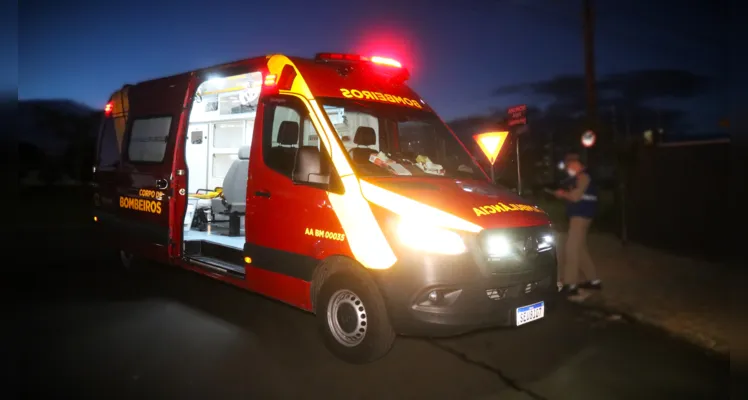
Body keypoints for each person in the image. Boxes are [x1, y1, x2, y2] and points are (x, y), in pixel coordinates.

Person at [553, 153, 602, 295]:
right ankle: (594, 281)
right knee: (580, 249)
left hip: (580, 217)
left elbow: (575, 196)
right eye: (568, 165)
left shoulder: (583, 177)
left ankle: (570, 285)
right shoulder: (580, 177)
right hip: (583, 216)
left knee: (571, 249)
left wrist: (562, 194)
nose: (569, 168)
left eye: (571, 165)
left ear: (578, 164)